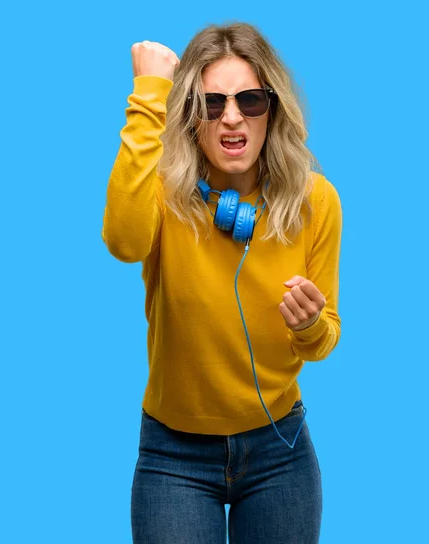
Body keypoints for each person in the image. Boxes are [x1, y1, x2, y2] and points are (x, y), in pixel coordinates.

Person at [101, 21, 342, 544]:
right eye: (212, 104)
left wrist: (308, 327)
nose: (232, 117)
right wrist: (148, 97)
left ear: (271, 109)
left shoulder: (316, 201)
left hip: (281, 452)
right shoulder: (161, 195)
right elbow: (122, 242)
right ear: (192, 116)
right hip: (175, 457)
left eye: (250, 100)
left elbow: (325, 338)